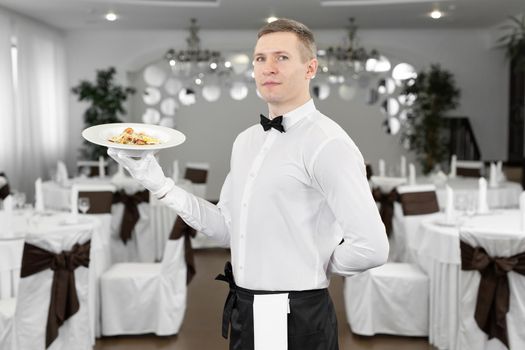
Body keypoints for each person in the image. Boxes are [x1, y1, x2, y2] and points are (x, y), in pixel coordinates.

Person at [108, 18, 388, 350]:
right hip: (244, 307)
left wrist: (314, 262)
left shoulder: (328, 144)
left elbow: (372, 248)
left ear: (310, 67)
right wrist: (159, 183)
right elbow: (226, 228)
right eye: (260, 59)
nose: (268, 68)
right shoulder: (245, 141)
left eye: (282, 57)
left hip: (296, 315)